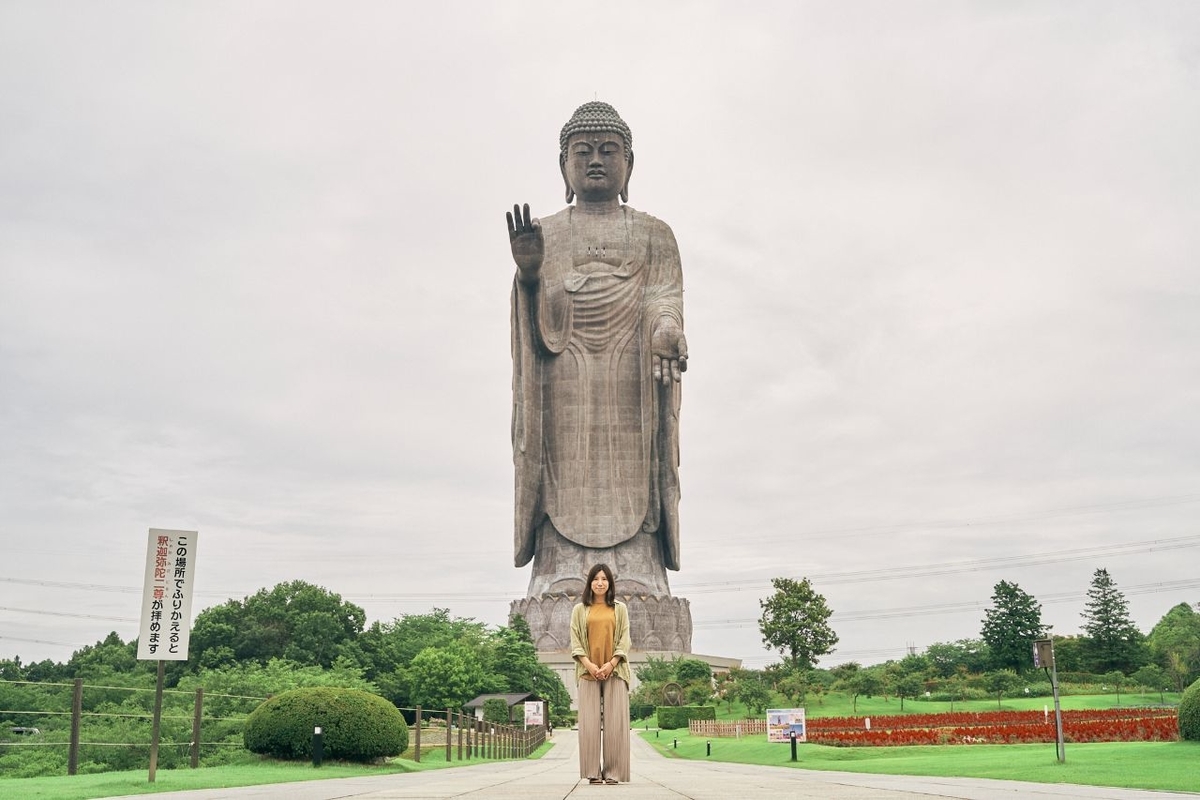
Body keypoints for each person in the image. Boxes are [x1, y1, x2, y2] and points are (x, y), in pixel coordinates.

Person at [507, 101, 688, 622]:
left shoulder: (656, 234)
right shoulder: (546, 232)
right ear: (562, 165)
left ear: (630, 164)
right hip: (563, 373)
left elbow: (664, 298)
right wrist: (530, 274)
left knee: (636, 459)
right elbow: (532, 323)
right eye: (581, 152)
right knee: (560, 456)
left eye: (608, 151)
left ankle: (639, 568)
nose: (595, 161)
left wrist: (666, 329)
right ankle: (557, 568)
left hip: (630, 377)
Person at [570, 563, 631, 784]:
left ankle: (613, 772)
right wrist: (590, 665)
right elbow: (576, 642)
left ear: (610, 582)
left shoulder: (619, 608)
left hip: (615, 671)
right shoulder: (579, 609)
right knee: (589, 725)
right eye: (596, 579)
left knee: (616, 724)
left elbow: (625, 639)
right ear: (589, 583)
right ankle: (592, 772)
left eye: (604, 579)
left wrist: (611, 664)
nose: (600, 583)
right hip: (588, 672)